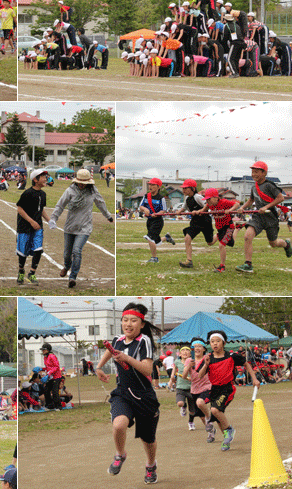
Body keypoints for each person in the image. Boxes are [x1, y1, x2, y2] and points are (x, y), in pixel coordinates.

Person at [95, 302, 159, 484]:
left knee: (148, 439)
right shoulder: (117, 340)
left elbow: (148, 370)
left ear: (142, 324)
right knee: (118, 425)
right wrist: (99, 367)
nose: (128, 324)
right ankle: (120, 454)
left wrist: (127, 359)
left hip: (144, 395)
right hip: (123, 393)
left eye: (133, 320)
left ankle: (150, 465)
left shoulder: (144, 342)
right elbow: (111, 351)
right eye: (125, 320)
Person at [48, 169, 113, 287]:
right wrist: (53, 218)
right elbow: (60, 205)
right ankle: (67, 266)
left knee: (76, 251)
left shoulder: (93, 192)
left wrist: (108, 216)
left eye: (84, 182)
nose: (82, 184)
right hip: (70, 226)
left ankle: (72, 277)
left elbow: (101, 203)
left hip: (85, 227)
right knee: (67, 254)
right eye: (80, 182)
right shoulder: (70, 191)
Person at [198, 330, 260, 451]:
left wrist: (254, 379)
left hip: (227, 388)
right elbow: (200, 375)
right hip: (214, 389)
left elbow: (246, 364)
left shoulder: (232, 356)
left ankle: (229, 430)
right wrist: (205, 365)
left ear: (224, 343)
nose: (215, 344)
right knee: (218, 416)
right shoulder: (208, 358)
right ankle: (226, 439)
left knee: (215, 410)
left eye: (218, 341)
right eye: (212, 342)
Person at [236, 161, 292, 273]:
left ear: (264, 173)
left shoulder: (269, 185)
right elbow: (251, 200)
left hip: (271, 217)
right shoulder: (254, 187)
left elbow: (280, 198)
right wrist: (242, 208)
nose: (253, 174)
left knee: (273, 243)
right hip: (258, 217)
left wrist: (266, 206)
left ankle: (286, 244)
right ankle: (248, 264)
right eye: (252, 172)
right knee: (247, 236)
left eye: (256, 172)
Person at [16, 168, 50, 285]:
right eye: (43, 177)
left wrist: (50, 220)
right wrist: (31, 221)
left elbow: (41, 210)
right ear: (35, 180)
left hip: (38, 227)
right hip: (25, 226)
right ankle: (21, 271)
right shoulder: (27, 193)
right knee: (23, 251)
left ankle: (32, 273)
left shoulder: (43, 194)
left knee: (38, 249)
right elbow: (19, 209)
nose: (45, 178)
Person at [196, 188, 240, 273]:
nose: (207, 201)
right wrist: (197, 212)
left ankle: (222, 266)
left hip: (228, 227)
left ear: (216, 198)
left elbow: (237, 204)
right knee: (211, 243)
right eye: (206, 199)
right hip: (220, 228)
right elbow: (203, 210)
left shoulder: (224, 202)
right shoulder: (209, 205)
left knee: (221, 245)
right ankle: (238, 228)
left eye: (209, 199)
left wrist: (230, 210)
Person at [183, 338, 215, 442]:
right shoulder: (189, 360)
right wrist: (189, 366)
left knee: (200, 403)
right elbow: (184, 376)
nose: (197, 348)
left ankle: (209, 418)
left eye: (199, 346)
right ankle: (211, 432)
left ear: (204, 348)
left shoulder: (207, 358)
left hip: (207, 387)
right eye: (195, 346)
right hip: (194, 390)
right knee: (201, 416)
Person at [178, 179, 214, 268]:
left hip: (205, 221)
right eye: (183, 188)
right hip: (195, 222)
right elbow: (184, 208)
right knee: (187, 238)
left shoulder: (197, 197)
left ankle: (220, 235)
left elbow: (208, 205)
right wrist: (180, 211)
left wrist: (199, 211)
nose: (184, 190)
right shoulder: (187, 199)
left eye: (186, 188)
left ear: (193, 189)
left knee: (210, 242)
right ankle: (189, 261)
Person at [139, 177, 175, 263]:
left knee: (150, 238)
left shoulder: (161, 198)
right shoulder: (146, 196)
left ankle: (154, 258)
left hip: (158, 221)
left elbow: (163, 210)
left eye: (153, 185)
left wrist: (157, 213)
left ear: (158, 187)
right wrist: (144, 209)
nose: (150, 186)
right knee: (156, 240)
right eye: (150, 185)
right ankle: (166, 238)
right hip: (149, 221)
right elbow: (140, 207)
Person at [170, 346, 196, 430]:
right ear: (180, 354)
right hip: (180, 387)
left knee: (192, 410)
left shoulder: (192, 362)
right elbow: (174, 371)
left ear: (190, 354)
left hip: (191, 388)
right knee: (180, 403)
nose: (185, 352)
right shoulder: (177, 361)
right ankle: (183, 406)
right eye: (183, 351)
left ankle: (191, 422)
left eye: (187, 350)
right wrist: (171, 378)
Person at [40, 343, 61, 410]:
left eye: (44, 350)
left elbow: (56, 366)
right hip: (50, 377)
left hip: (56, 377)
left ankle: (58, 406)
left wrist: (50, 373)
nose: (43, 351)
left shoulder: (52, 356)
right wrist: (42, 369)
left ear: (48, 350)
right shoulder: (45, 357)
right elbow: (48, 367)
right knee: (46, 390)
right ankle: (50, 405)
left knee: (55, 391)